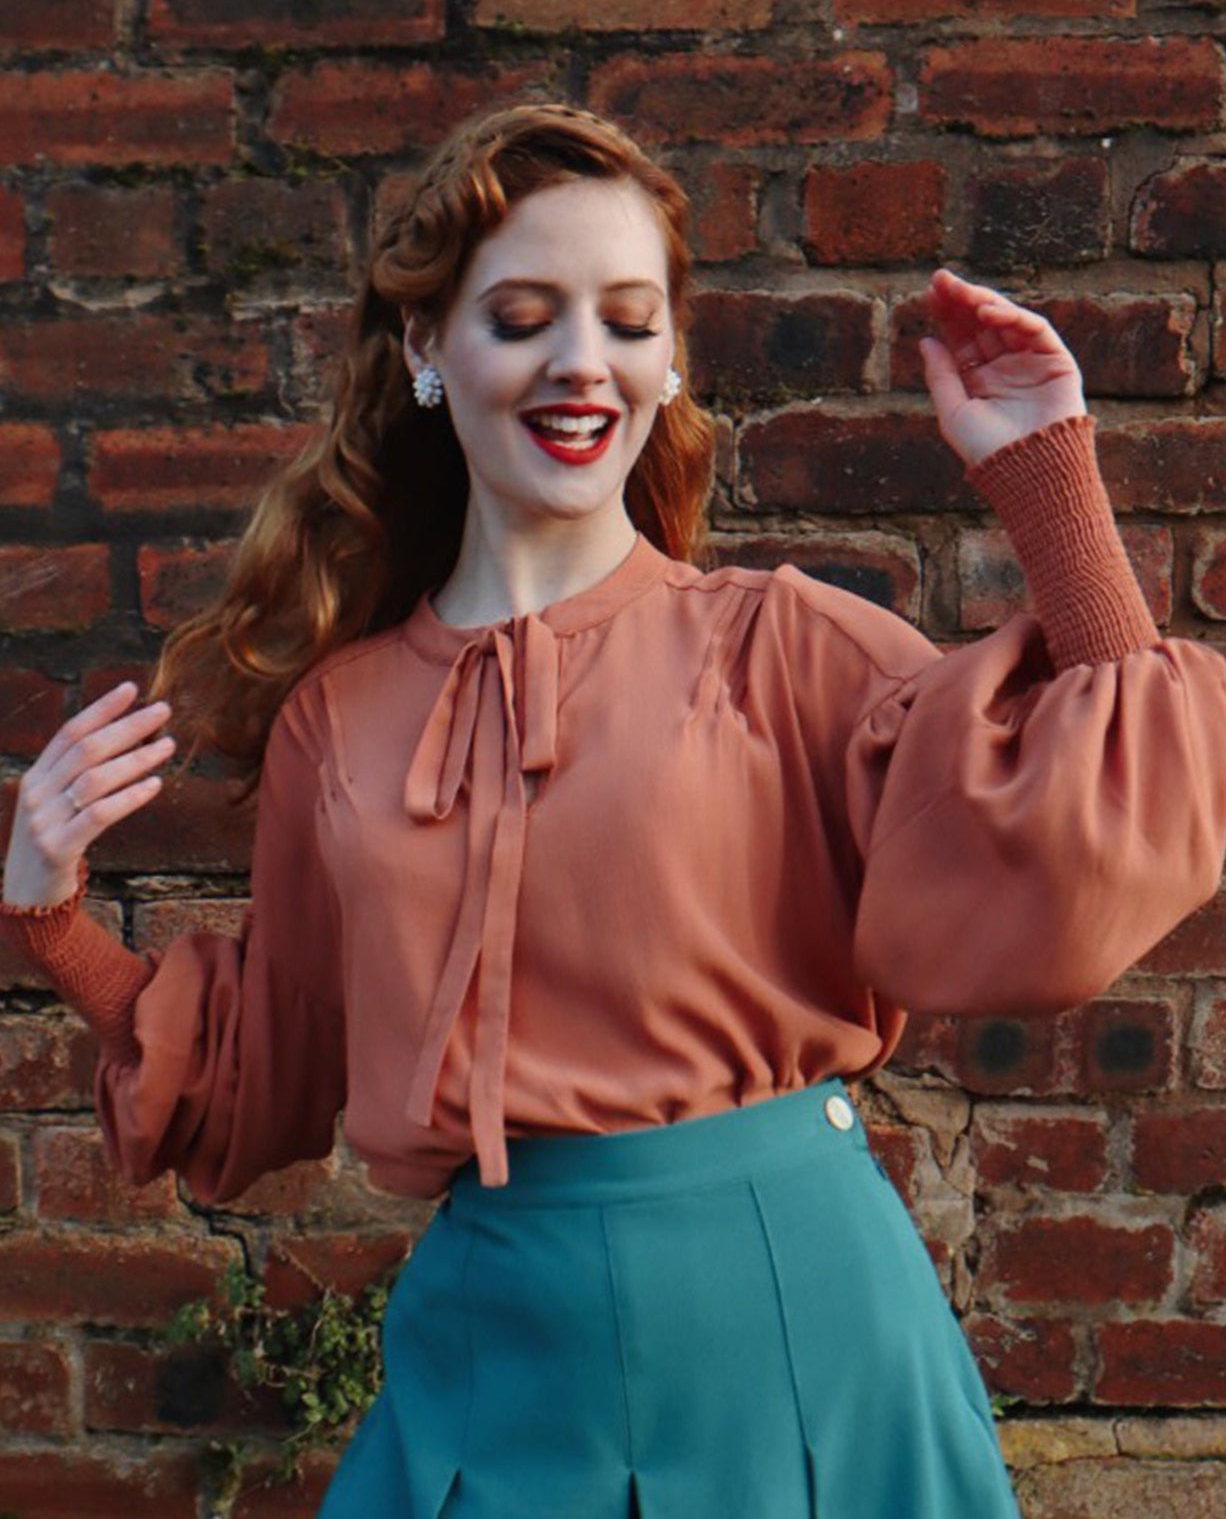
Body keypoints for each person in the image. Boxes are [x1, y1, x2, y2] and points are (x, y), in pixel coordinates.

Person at [2, 103, 1225, 1519]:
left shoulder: (782, 643)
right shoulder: (339, 721)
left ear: (669, 361)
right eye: (521, 315)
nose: (581, 361)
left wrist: (1048, 488)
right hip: (494, 1345)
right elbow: (269, 1066)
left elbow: (1085, 837)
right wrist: (52, 918)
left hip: (798, 1322)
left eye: (627, 320)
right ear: (421, 350)